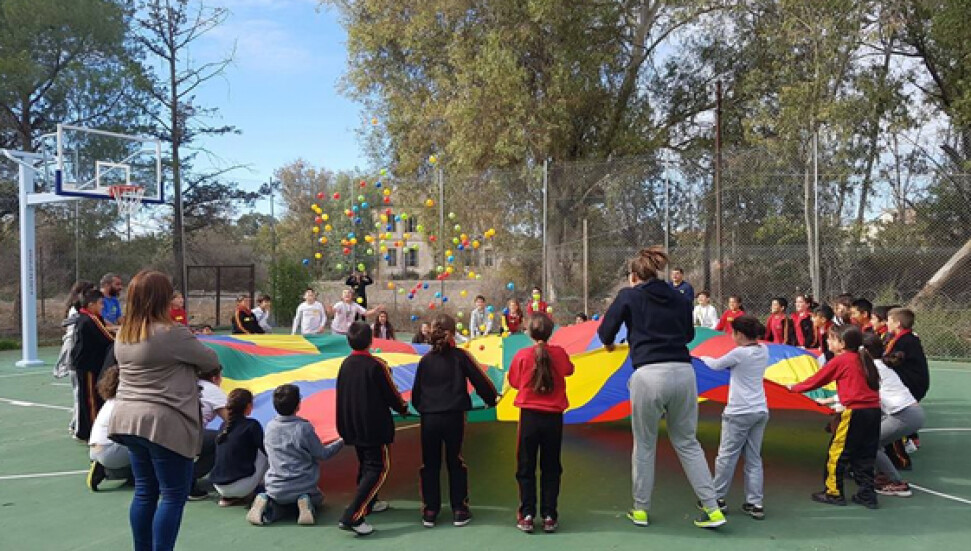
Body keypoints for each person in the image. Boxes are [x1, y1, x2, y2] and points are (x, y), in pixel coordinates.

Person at [598, 247, 726, 529]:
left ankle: (641, 510)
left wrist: (614, 341)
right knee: (688, 443)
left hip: (648, 375)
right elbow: (689, 334)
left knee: (644, 444)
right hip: (683, 372)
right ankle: (713, 508)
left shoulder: (629, 295)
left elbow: (605, 333)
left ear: (633, 276)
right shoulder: (680, 298)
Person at [109, 270, 222, 551]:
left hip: (127, 419)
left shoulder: (124, 333)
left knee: (145, 492)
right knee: (173, 495)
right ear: (162, 299)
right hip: (164, 423)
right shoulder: (172, 333)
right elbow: (210, 360)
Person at [412, 313, 499, 528]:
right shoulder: (461, 357)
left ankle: (430, 510)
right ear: (452, 334)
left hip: (430, 418)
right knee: (455, 462)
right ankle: (459, 509)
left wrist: (423, 407)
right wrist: (491, 399)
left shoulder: (425, 361)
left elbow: (416, 394)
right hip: (454, 417)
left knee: (430, 464)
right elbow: (482, 381)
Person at [787, 325, 881, 509]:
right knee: (865, 455)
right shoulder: (863, 359)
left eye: (831, 338)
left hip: (854, 413)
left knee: (837, 453)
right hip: (873, 411)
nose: (828, 341)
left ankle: (833, 492)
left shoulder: (843, 360)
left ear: (842, 343)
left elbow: (817, 380)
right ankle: (867, 494)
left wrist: (793, 388)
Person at [336, 322, 409, 535]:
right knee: (377, 468)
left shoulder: (345, 364)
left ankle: (369, 503)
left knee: (365, 465)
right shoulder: (377, 366)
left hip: (352, 424)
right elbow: (392, 394)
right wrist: (403, 407)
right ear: (371, 341)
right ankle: (353, 515)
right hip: (372, 426)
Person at [508, 313, 575, 533]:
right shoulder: (559, 354)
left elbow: (515, 382)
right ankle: (549, 515)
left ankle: (527, 513)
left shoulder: (522, 355)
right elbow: (569, 370)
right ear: (551, 331)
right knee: (551, 466)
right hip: (553, 418)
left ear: (528, 332)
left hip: (529, 417)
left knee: (525, 466)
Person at [699, 315, 769, 520]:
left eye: (733, 333)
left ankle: (717, 498)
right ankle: (755, 503)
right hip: (759, 410)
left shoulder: (739, 353)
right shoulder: (763, 350)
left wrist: (699, 358)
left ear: (739, 334)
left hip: (738, 412)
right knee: (754, 459)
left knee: (726, 457)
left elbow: (714, 365)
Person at [247, 384, 344, 527]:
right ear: (298, 404)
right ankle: (304, 501)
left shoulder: (270, 426)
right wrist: (341, 441)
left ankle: (267, 500)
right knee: (318, 499)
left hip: (275, 487)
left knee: (281, 504)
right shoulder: (303, 428)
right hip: (303, 484)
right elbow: (323, 454)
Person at [861, 334, 924, 498]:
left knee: (869, 443)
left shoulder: (873, 369)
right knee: (876, 442)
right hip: (910, 412)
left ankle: (896, 482)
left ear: (864, 351)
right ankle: (884, 474)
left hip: (905, 414)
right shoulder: (879, 364)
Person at [210, 389, 268, 507]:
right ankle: (268, 486)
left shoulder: (223, 426)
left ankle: (230, 497)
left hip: (218, 486)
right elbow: (266, 451)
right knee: (265, 452)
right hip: (241, 487)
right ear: (248, 406)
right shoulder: (252, 425)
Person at [72, 288, 115, 442]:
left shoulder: (87, 317)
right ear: (91, 305)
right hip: (88, 365)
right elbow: (108, 337)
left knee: (85, 397)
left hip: (86, 364)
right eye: (100, 303)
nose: (103, 307)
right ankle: (92, 431)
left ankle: (83, 431)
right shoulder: (90, 319)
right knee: (90, 399)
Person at [56, 280, 94, 437]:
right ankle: (78, 429)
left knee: (79, 393)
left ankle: (74, 423)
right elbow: (72, 335)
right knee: (79, 392)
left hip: (75, 354)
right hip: (73, 355)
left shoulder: (81, 311)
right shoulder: (76, 312)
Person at [87, 365, 131, 491]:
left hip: (95, 449)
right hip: (110, 451)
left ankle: (105, 469)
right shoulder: (124, 402)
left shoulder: (110, 402)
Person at [190, 368, 228, 500]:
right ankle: (188, 479)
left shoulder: (188, 383)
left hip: (165, 432)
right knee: (222, 438)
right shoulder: (212, 390)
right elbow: (232, 420)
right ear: (214, 378)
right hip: (189, 434)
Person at [883, 308, 929, 403]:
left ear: (897, 324)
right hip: (910, 384)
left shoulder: (904, 341)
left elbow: (890, 362)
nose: (886, 323)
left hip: (911, 386)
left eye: (889, 320)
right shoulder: (901, 338)